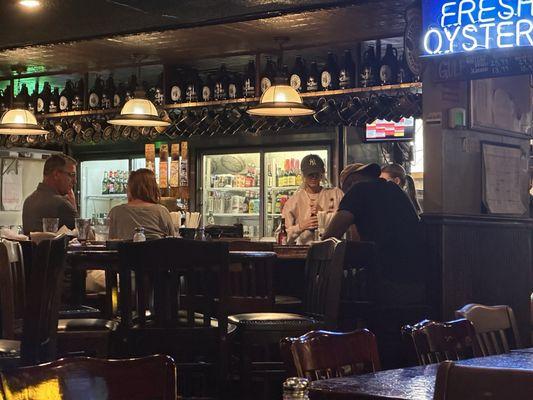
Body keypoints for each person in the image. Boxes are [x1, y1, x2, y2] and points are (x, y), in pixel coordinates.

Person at [324, 163, 422, 302]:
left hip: (386, 281)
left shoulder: (358, 190)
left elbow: (329, 238)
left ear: (351, 183)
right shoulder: (395, 190)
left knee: (337, 293)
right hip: (416, 279)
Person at [282, 154, 343, 245]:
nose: (314, 177)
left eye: (317, 174)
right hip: (303, 253)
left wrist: (322, 215)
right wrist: (300, 226)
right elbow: (282, 239)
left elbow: (346, 222)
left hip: (332, 251)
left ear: (322, 173)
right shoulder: (293, 201)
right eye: (310, 174)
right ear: (303, 175)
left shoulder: (336, 194)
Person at [108, 168, 175, 240]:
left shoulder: (115, 212)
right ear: (154, 188)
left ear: (130, 189)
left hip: (125, 251)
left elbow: (108, 242)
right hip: (156, 251)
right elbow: (172, 241)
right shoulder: (162, 212)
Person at [22, 154, 78, 235]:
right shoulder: (61, 204)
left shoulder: (28, 201)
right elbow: (85, 234)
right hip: (56, 248)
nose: (75, 181)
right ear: (56, 175)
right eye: (72, 175)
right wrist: (73, 206)